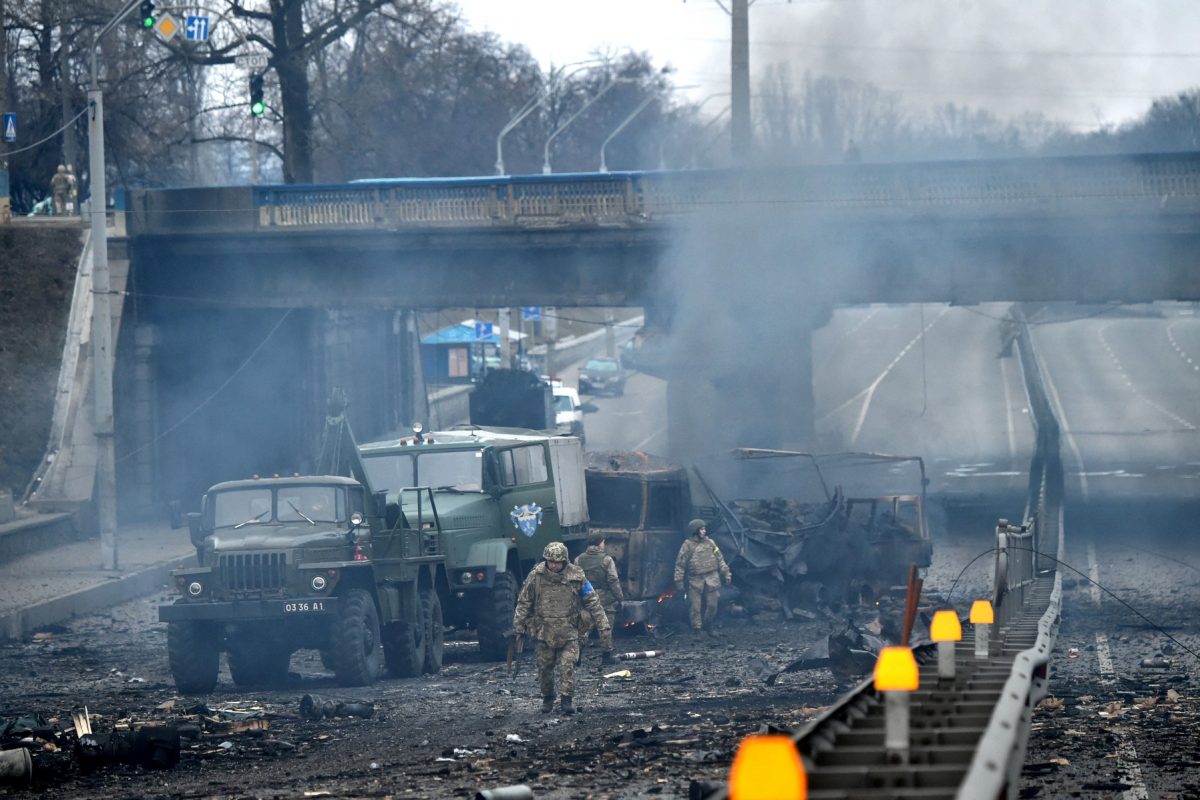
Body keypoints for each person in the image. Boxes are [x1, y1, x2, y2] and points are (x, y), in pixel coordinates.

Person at [513, 541, 611, 715]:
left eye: (558, 562)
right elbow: (524, 602)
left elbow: (592, 600)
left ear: (564, 561)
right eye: (550, 561)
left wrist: (603, 625)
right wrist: (519, 627)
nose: (554, 565)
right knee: (544, 668)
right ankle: (548, 698)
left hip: (569, 630)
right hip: (544, 631)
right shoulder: (536, 575)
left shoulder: (576, 575)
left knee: (568, 666)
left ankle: (567, 699)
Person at [674, 519, 732, 636]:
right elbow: (680, 565)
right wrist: (678, 582)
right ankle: (697, 630)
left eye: (704, 529)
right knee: (695, 607)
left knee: (712, 605)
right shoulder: (687, 546)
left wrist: (727, 573)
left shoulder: (711, 543)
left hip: (712, 578)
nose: (704, 531)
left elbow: (720, 559)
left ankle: (708, 625)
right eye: (701, 529)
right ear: (695, 531)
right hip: (695, 580)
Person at [574, 531, 624, 665]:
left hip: (585, 596)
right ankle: (607, 656)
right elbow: (613, 580)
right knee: (605, 626)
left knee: (585, 626)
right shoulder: (607, 560)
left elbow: (575, 580)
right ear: (600, 543)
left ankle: (576, 656)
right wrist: (620, 598)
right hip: (605, 597)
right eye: (603, 542)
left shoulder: (579, 559)